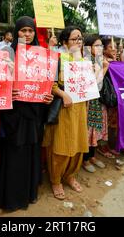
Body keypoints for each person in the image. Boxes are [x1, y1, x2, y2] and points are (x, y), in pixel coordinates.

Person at [0, 16, 53, 211]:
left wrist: (46, 98)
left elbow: (45, 85)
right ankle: (11, 198)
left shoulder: (42, 56)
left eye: (30, 31)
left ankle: (28, 193)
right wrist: (7, 92)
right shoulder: (6, 53)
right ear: (15, 31)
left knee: (31, 153)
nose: (27, 35)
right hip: (13, 115)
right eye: (23, 31)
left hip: (34, 115)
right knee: (13, 153)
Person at [42, 26, 89, 200]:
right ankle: (55, 180)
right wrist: (63, 94)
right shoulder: (58, 58)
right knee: (61, 146)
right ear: (64, 42)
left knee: (79, 145)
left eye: (80, 38)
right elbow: (50, 84)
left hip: (80, 109)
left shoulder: (85, 61)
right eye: (74, 39)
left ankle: (70, 175)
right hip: (64, 108)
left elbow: (91, 85)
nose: (78, 42)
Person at [82, 35, 108, 173]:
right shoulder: (85, 61)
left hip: (98, 102)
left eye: (101, 45)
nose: (99, 48)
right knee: (88, 130)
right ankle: (85, 160)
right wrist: (104, 68)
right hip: (88, 102)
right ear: (88, 47)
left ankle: (92, 156)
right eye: (96, 45)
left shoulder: (99, 60)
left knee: (95, 130)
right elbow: (95, 84)